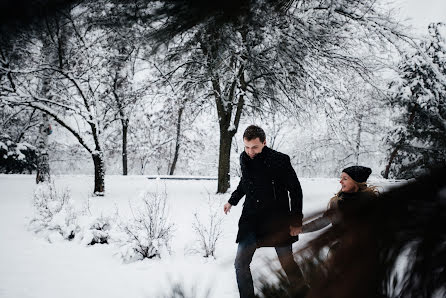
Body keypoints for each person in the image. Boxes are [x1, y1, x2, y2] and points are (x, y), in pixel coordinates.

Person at [223, 125, 305, 298]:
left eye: (255, 147)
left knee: (287, 262)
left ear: (264, 143)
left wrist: (296, 221)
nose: (250, 151)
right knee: (240, 263)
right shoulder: (244, 158)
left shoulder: (280, 160)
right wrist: (233, 200)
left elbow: (295, 190)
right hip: (251, 220)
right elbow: (245, 182)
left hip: (277, 220)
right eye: (246, 147)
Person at [297, 165, 378, 238]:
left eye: (345, 179)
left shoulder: (372, 202)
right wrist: (301, 229)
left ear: (356, 182)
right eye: (341, 178)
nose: (340, 181)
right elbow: (323, 221)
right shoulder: (337, 201)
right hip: (340, 249)